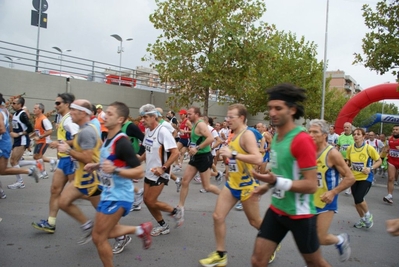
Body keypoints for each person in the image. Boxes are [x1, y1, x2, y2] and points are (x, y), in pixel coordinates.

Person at [250, 83, 330, 267]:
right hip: (277, 210)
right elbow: (282, 173)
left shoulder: (301, 140)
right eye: (270, 108)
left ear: (292, 110)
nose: (272, 113)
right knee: (257, 260)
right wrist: (264, 187)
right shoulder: (277, 137)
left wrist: (275, 181)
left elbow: (311, 185)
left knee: (314, 262)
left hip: (300, 215)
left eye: (278, 108)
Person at [86, 101, 152, 267]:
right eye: (105, 112)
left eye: (110, 114)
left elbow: (139, 172)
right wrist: (97, 165)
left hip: (120, 195)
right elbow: (111, 161)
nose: (104, 116)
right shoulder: (107, 137)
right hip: (108, 193)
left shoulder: (122, 142)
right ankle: (140, 230)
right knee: (100, 235)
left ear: (120, 119)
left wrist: (115, 170)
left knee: (99, 237)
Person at [199, 104, 263, 267]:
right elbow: (236, 158)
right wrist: (228, 164)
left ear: (241, 118)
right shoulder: (233, 134)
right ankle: (221, 255)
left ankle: (273, 240)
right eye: (227, 117)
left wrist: (233, 154)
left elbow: (258, 159)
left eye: (230, 117)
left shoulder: (247, 135)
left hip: (247, 185)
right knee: (217, 216)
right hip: (232, 183)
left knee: (255, 222)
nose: (227, 120)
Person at [308, 119, 355, 262]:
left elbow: (350, 177)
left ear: (324, 135)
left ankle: (340, 240)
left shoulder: (332, 154)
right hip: (309, 200)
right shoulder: (307, 151)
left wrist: (333, 192)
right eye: (309, 131)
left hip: (326, 201)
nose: (311, 135)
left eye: (315, 132)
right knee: (308, 238)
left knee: (320, 237)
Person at [57, 99, 103, 245]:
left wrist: (69, 150)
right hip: (81, 177)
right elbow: (100, 145)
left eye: (73, 110)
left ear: (83, 113)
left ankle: (123, 236)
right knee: (63, 202)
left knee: (104, 215)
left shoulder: (86, 131)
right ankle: (87, 225)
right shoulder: (87, 129)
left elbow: (88, 158)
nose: (70, 113)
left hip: (91, 180)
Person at [32, 93, 79, 233]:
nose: (55, 105)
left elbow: (78, 140)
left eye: (58, 103)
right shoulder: (63, 118)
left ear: (67, 104)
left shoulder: (69, 119)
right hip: (63, 160)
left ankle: (110, 222)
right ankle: (50, 223)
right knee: (55, 190)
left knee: (85, 193)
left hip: (71, 160)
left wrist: (58, 143)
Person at [175, 106, 221, 228]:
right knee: (185, 181)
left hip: (204, 157)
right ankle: (180, 207)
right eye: (187, 113)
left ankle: (225, 197)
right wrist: (192, 147)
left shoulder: (200, 124)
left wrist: (197, 148)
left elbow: (210, 138)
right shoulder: (194, 124)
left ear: (197, 114)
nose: (187, 115)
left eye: (190, 113)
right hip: (195, 157)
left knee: (206, 186)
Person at [137, 104, 180, 237]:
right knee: (146, 200)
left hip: (161, 172)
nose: (142, 120)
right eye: (141, 117)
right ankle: (163, 225)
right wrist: (137, 161)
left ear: (153, 116)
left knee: (151, 200)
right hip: (150, 171)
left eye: (145, 117)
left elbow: (175, 153)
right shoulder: (148, 131)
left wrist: (163, 169)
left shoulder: (162, 131)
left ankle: (175, 211)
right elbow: (146, 150)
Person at [346, 128, 381, 229]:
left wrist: (370, 168)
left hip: (366, 178)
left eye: (358, 134)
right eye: (354, 134)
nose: (355, 136)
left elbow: (378, 161)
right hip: (354, 178)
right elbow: (347, 162)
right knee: (356, 201)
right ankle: (362, 219)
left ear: (363, 136)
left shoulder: (368, 148)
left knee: (359, 198)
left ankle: (368, 216)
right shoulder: (350, 148)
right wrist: (347, 167)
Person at [7, 96, 37, 189]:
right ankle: (35, 164)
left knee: (13, 161)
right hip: (17, 140)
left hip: (22, 140)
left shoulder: (23, 114)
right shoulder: (16, 113)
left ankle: (20, 182)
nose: (12, 105)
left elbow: (30, 128)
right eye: (12, 103)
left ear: (20, 105)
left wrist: (19, 134)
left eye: (14, 103)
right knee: (17, 161)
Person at [30, 103, 54, 179]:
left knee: (38, 157)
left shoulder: (44, 120)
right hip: (39, 140)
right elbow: (38, 130)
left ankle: (43, 173)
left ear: (40, 110)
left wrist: (40, 137)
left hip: (44, 141)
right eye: (34, 108)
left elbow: (50, 131)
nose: (34, 110)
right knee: (36, 157)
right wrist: (31, 135)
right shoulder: (37, 118)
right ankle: (53, 162)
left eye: (35, 108)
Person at [337, 122, 354, 195]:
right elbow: (338, 146)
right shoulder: (340, 137)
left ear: (350, 128)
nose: (346, 129)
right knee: (342, 172)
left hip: (351, 158)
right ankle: (343, 184)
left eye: (347, 127)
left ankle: (348, 188)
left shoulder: (353, 137)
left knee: (349, 173)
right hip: (342, 157)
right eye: (344, 127)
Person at [384, 125, 399, 204]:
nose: (395, 131)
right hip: (392, 160)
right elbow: (387, 148)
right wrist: (386, 150)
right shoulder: (390, 139)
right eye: (394, 129)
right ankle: (389, 195)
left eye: (397, 129)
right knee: (391, 178)